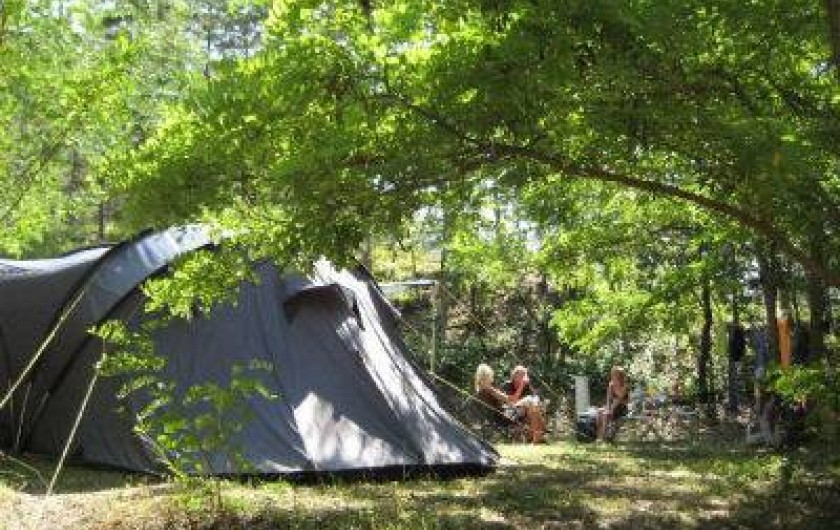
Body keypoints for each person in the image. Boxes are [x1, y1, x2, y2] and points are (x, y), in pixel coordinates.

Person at [502, 365, 546, 443]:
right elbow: (513, 400)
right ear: (514, 376)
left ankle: (534, 437)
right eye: (521, 375)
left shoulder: (527, 386)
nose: (523, 377)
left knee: (533, 407)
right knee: (531, 403)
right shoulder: (508, 385)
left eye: (524, 375)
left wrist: (535, 403)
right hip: (511, 411)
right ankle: (540, 432)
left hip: (525, 410)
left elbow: (534, 399)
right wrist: (522, 385)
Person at [596, 366, 629, 441]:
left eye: (614, 373)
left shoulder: (625, 386)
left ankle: (603, 437)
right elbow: (609, 399)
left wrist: (610, 410)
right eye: (612, 373)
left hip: (622, 408)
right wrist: (608, 408)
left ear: (619, 375)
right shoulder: (611, 384)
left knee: (605, 414)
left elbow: (619, 399)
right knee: (599, 411)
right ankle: (598, 435)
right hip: (612, 406)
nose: (612, 375)